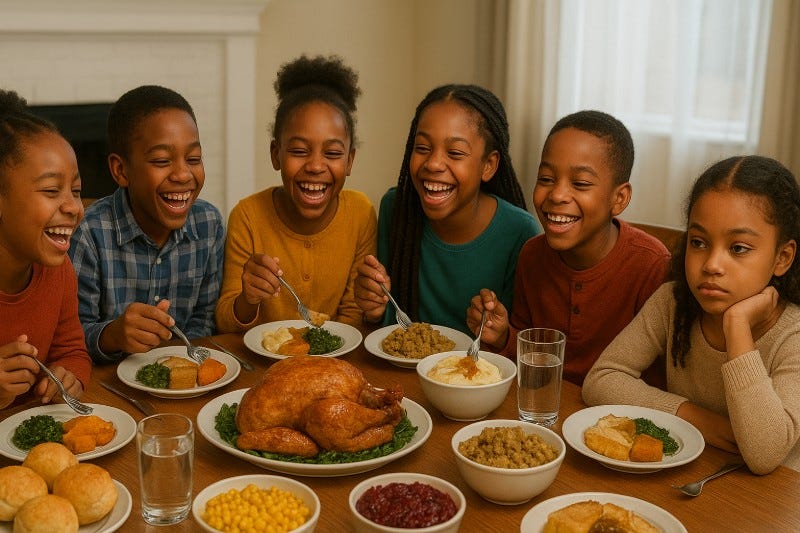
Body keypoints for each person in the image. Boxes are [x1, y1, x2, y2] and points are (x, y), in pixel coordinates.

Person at [583, 155, 800, 474]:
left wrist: (737, 327)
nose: (712, 264)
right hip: (698, 476)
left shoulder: (792, 335)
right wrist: (692, 415)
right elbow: (601, 379)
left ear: (782, 257)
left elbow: (765, 454)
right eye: (699, 242)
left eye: (738, 248)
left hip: (774, 502)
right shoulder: (672, 302)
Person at [467, 110, 670, 385]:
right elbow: (532, 360)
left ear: (619, 198)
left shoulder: (652, 266)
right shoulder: (532, 256)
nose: (557, 195)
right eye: (546, 179)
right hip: (544, 410)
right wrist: (502, 335)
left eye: (580, 183)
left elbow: (659, 380)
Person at [354, 84, 540, 334]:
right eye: (422, 148)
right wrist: (374, 309)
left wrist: (501, 333)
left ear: (488, 165)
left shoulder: (520, 231)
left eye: (454, 152)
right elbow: (387, 323)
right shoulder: (396, 209)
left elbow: (520, 341)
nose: (433, 163)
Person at [215, 55, 375, 332]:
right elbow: (226, 324)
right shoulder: (248, 216)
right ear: (276, 154)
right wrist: (248, 298)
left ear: (349, 161)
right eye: (299, 151)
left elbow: (354, 318)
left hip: (333, 364)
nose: (314, 166)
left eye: (333, 153)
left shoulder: (360, 213)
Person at [69, 85, 224, 363]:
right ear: (121, 170)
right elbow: (70, 337)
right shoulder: (89, 234)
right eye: (162, 160)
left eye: (194, 159)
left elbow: (205, 318)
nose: (182, 174)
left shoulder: (209, 225)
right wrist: (113, 335)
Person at [0, 89, 91, 408]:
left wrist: (70, 376)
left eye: (76, 190)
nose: (73, 206)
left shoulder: (58, 269)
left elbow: (73, 351)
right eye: (52, 190)